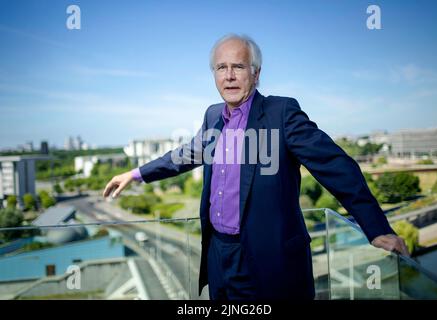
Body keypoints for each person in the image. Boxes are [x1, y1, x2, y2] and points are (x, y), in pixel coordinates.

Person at [103, 34, 409, 300]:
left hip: (267, 261)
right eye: (221, 67)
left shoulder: (281, 113)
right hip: (219, 256)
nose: (229, 76)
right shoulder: (212, 116)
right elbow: (185, 154)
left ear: (256, 73)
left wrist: (376, 228)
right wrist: (134, 174)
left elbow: (336, 166)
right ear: (214, 75)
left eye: (238, 66)